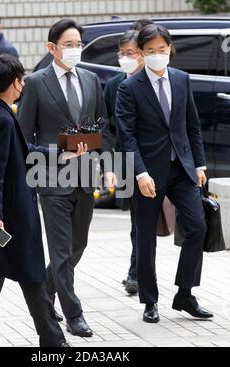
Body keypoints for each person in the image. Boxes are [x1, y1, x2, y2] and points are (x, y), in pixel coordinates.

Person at [0, 54, 88, 347]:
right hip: (10, 217)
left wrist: (63, 152)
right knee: (31, 275)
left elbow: (24, 150)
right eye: (20, 79)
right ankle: (51, 339)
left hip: (4, 217)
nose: (23, 84)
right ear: (13, 82)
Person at [18, 19, 116, 338]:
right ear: (52, 48)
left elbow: (102, 128)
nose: (74, 50)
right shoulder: (35, 82)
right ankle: (74, 315)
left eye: (78, 45)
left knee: (78, 245)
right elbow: (23, 139)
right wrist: (59, 152)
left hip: (86, 175)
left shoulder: (90, 79)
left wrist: (107, 161)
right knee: (60, 251)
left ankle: (43, 296)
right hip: (51, 178)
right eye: (68, 45)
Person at [116, 24, 214, 323]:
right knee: (146, 239)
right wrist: (140, 173)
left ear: (170, 48)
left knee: (197, 226)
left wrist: (199, 164)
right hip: (148, 174)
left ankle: (185, 294)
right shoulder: (129, 87)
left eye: (162, 49)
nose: (158, 55)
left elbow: (191, 126)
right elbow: (126, 136)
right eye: (151, 51)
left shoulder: (182, 80)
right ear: (142, 54)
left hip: (181, 168)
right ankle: (149, 300)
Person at [104, 30, 144, 295]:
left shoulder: (155, 82)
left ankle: (137, 272)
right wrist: (109, 166)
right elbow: (106, 128)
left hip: (154, 160)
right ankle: (136, 271)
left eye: (130, 53)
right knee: (137, 220)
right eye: (121, 53)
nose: (124, 58)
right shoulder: (113, 85)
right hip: (125, 161)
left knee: (145, 221)